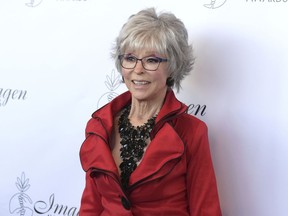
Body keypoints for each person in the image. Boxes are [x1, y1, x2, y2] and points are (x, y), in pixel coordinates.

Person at [79, 7, 222, 216]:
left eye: (152, 60)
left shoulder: (191, 132)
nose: (138, 69)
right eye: (130, 58)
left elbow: (205, 209)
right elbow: (91, 206)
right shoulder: (99, 126)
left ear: (172, 67)